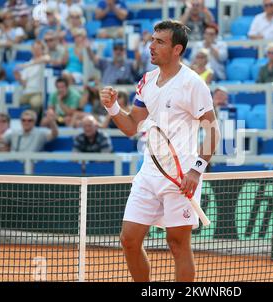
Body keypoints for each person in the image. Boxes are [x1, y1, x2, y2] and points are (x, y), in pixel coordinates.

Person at [99, 20, 220, 282]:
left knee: (177, 244)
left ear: (177, 49)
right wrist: (113, 108)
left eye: (159, 41)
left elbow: (213, 131)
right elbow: (132, 126)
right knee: (129, 240)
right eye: (152, 40)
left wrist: (196, 171)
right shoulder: (147, 81)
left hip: (181, 178)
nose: (151, 46)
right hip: (149, 173)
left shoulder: (193, 83)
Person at [13, 40, 48, 118]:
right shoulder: (28, 63)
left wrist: (26, 65)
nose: (36, 51)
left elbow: (46, 58)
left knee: (35, 103)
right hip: (27, 92)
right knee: (14, 101)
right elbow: (24, 83)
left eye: (38, 49)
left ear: (42, 50)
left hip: (38, 92)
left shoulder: (43, 60)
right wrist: (18, 76)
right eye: (34, 49)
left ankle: (34, 124)